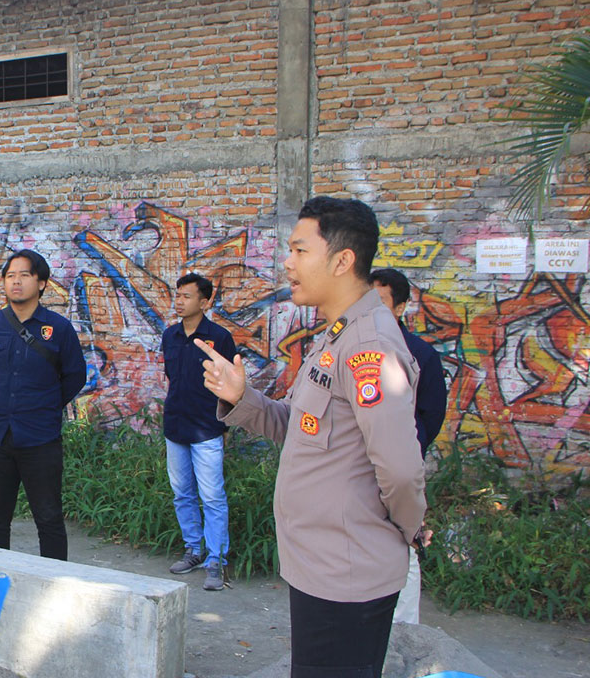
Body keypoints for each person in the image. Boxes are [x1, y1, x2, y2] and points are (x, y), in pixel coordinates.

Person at [194, 196, 426, 678]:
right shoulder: (335, 336)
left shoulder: (369, 348)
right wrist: (242, 397)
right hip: (321, 567)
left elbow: (402, 470)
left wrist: (405, 530)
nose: (287, 262)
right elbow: (295, 427)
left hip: (348, 574)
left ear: (343, 261)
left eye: (300, 251)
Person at [0, 249, 86, 560]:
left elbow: (74, 376)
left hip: (41, 440)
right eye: (9, 276)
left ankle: (54, 583)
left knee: (48, 519)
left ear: (41, 282)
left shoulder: (57, 328)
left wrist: (43, 406)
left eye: (24, 275)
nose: (15, 282)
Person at [370, 267, 448, 625]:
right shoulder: (353, 348)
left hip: (399, 468)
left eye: (381, 302)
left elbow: (430, 415)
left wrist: (404, 452)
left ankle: (403, 630)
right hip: (357, 467)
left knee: (404, 541)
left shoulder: (420, 355)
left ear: (400, 308)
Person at [160, 273, 237, 591]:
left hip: (207, 428)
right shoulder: (170, 335)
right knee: (182, 494)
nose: (179, 300)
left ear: (205, 302)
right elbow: (170, 376)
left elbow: (233, 385)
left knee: (213, 497)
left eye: (186, 296)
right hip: (176, 425)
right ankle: (194, 548)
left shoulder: (219, 337)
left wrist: (226, 425)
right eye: (177, 295)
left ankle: (216, 560)